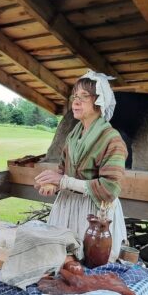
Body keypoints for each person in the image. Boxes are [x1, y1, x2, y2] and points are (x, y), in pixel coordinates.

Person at [35, 70, 128, 262]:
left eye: (84, 96)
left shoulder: (112, 140)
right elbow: (63, 171)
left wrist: (64, 181)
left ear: (100, 101)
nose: (75, 102)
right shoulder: (73, 136)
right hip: (67, 209)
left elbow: (110, 188)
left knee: (90, 267)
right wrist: (52, 185)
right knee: (63, 264)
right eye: (75, 96)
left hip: (94, 218)